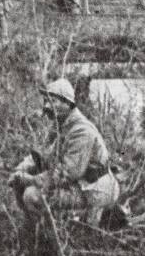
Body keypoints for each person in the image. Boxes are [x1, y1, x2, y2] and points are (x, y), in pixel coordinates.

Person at [9, 77, 120, 239]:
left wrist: (31, 180)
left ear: (67, 103)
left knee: (31, 195)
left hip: (94, 189)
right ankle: (33, 234)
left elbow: (67, 173)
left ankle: (50, 241)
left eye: (52, 101)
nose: (46, 106)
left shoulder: (81, 131)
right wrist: (20, 170)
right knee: (20, 186)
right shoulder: (60, 125)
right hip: (79, 184)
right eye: (46, 101)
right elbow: (39, 155)